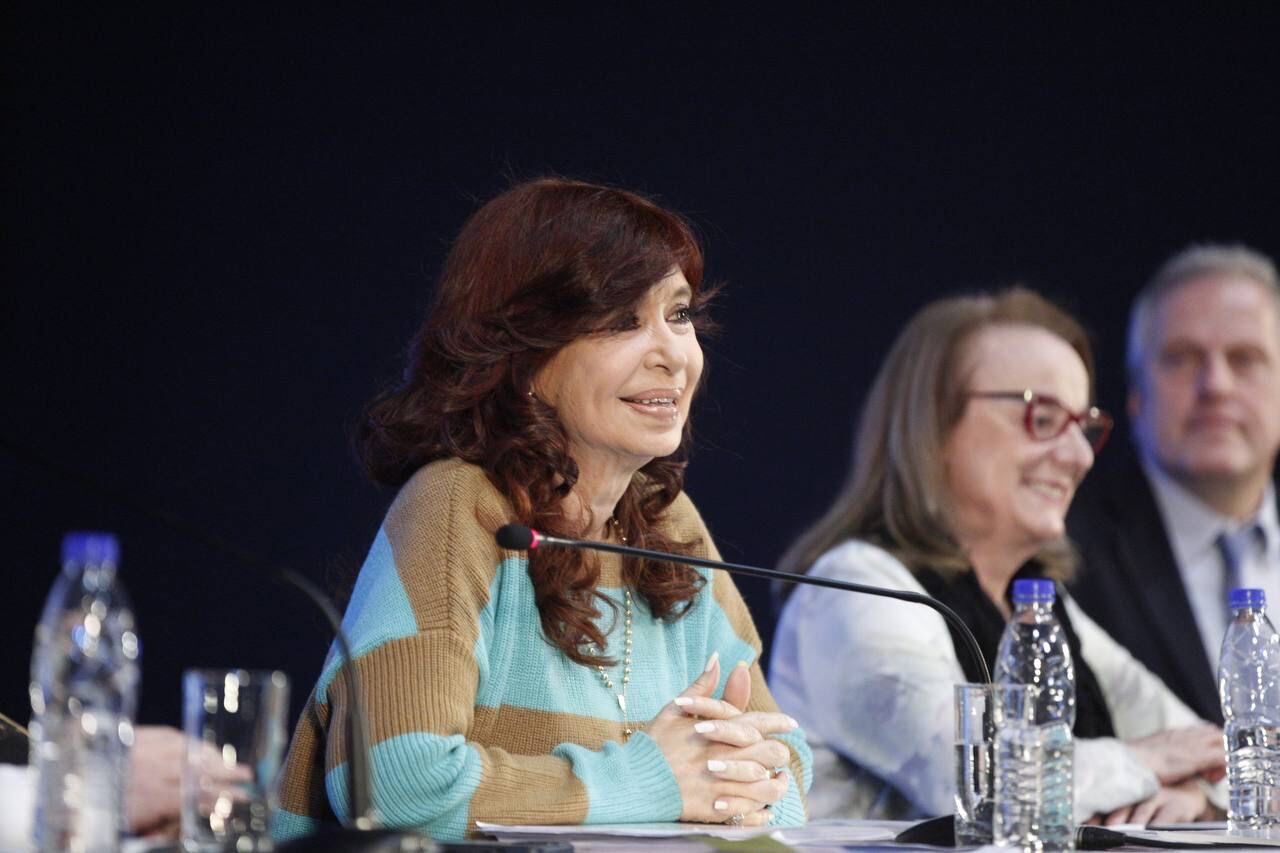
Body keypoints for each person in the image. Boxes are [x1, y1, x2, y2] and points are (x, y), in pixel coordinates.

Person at [274, 178, 811, 842]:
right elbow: (397, 785)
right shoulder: (456, 506)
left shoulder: (666, 521)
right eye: (623, 321)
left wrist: (734, 780)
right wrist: (653, 779)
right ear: (525, 354)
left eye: (678, 315)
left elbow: (788, 765)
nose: (673, 354)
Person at [770, 287, 1223, 826]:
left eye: (1085, 428)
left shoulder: (1037, 605)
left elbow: (1210, 751)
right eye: (1043, 417)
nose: (1078, 457)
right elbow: (975, 781)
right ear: (934, 425)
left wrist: (1199, 798)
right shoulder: (850, 589)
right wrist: (1148, 761)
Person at [1070, 245, 1280, 724]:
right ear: (1136, 396)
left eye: (1245, 359)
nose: (1216, 386)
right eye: (1182, 359)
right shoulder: (1066, 558)